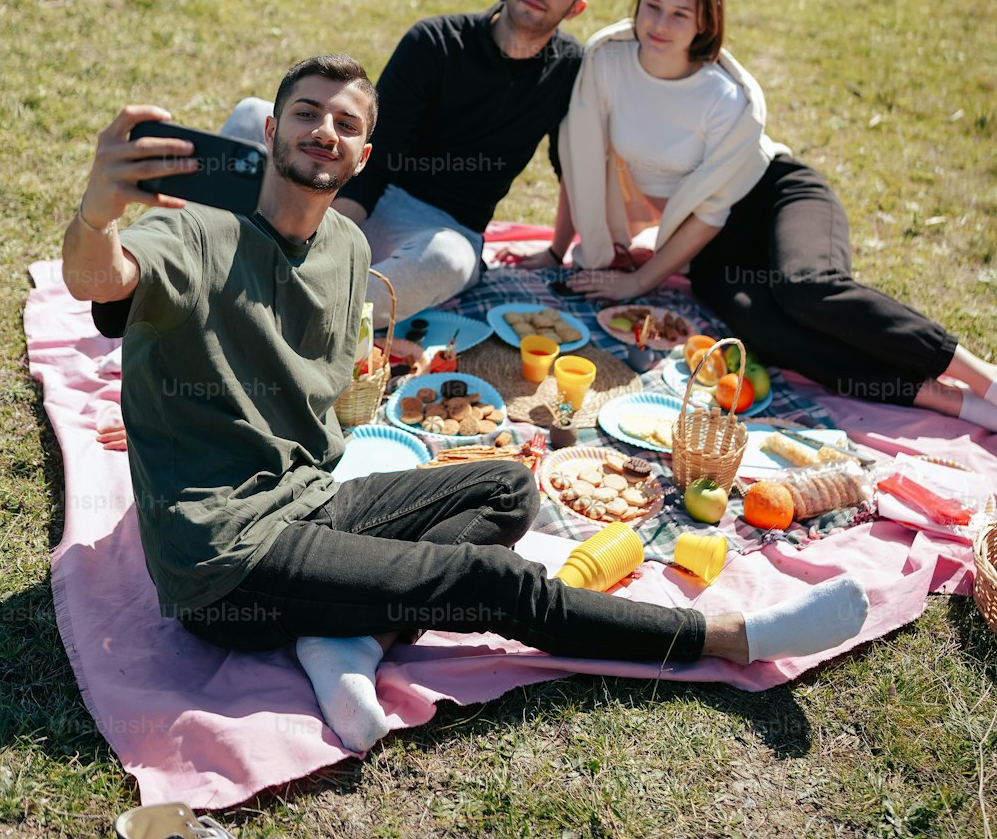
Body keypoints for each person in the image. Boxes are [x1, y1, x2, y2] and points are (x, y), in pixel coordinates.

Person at [61, 53, 871, 755]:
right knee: (484, 579)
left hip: (304, 502)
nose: (323, 131)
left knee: (507, 487)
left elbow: (335, 375)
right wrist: (98, 213)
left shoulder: (345, 247)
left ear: (363, 154)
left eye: (344, 123)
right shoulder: (201, 232)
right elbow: (103, 279)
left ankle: (352, 637)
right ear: (270, 129)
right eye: (305, 113)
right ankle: (729, 640)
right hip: (226, 558)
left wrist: (405, 375)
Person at [558, 0, 997, 428]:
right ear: (637, 4)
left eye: (680, 14)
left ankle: (982, 377)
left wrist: (640, 280)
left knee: (803, 289)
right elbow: (582, 153)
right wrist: (569, 245)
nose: (660, 24)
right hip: (714, 250)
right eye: (652, 7)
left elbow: (712, 210)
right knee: (765, 334)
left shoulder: (724, 96)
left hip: (775, 197)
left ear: (704, 23)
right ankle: (941, 397)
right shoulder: (607, 62)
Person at [222, 0, 604, 323]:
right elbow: (379, 149)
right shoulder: (436, 41)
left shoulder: (570, 70)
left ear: (575, 7)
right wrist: (323, 237)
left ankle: (303, 320)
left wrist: (559, 252)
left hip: (437, 229)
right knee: (253, 114)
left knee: (449, 260)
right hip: (363, 188)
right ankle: (202, 255)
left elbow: (573, 167)